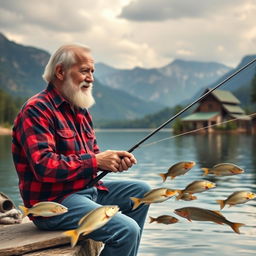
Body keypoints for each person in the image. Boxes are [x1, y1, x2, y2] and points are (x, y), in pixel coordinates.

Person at [12, 43, 151, 256]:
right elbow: (44, 166)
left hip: (88, 193)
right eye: (85, 71)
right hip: (54, 203)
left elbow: (92, 158)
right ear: (60, 71)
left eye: (92, 72)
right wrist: (96, 161)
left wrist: (113, 161)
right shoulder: (36, 109)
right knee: (127, 230)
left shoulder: (80, 111)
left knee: (144, 191)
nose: (91, 78)